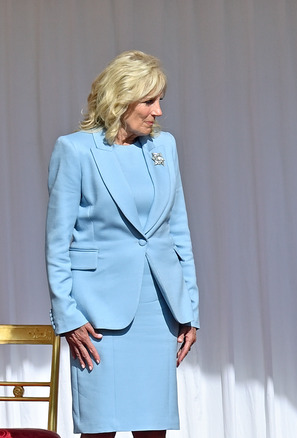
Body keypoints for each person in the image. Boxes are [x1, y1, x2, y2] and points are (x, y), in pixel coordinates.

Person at [45, 50, 200, 438]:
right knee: (100, 430)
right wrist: (67, 316)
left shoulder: (166, 148)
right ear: (120, 100)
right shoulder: (75, 150)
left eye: (160, 100)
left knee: (153, 430)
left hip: (158, 311)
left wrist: (190, 310)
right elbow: (57, 242)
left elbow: (178, 234)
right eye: (149, 101)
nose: (158, 111)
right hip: (96, 318)